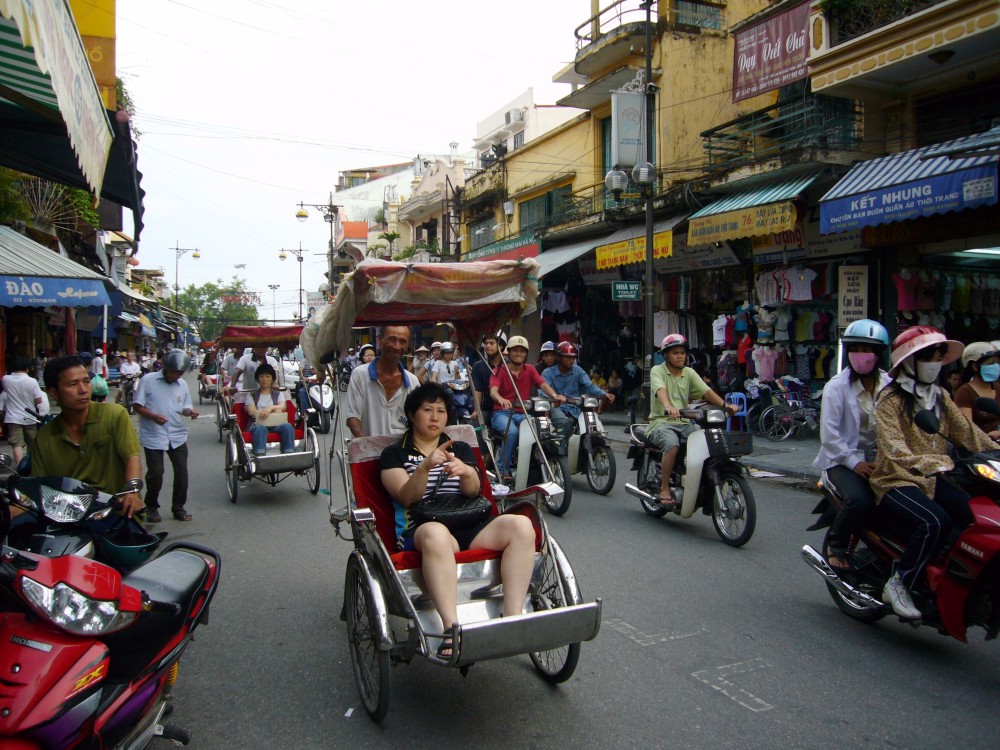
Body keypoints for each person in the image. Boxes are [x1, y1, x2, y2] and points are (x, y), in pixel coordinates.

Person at [379, 382, 535, 657]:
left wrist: (466, 471)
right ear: (413, 414)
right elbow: (407, 497)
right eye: (427, 410)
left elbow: (474, 491)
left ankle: (512, 619)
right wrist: (424, 467)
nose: (435, 417)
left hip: (469, 523)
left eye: (441, 411)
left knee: (522, 526)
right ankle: (452, 629)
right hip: (423, 527)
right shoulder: (395, 454)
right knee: (436, 534)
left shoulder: (459, 447)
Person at [871, 327, 997, 619]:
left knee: (973, 515)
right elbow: (893, 448)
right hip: (897, 478)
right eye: (928, 357)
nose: (935, 363)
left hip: (935, 478)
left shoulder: (940, 395)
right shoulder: (889, 399)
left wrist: (994, 451)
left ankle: (949, 577)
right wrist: (932, 462)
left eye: (939, 358)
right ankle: (900, 581)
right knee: (934, 521)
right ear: (909, 361)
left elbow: (967, 433)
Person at [811, 319, 892, 571]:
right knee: (859, 500)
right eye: (855, 349)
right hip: (841, 460)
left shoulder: (890, 385)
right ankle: (837, 545)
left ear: (879, 353)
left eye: (867, 349)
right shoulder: (837, 387)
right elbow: (829, 435)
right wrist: (854, 463)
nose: (861, 355)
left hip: (881, 460)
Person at [31, 356, 143, 517]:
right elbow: (40, 486)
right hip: (67, 516)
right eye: (73, 384)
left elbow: (131, 457)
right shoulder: (44, 437)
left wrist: (132, 493)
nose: (83, 390)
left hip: (116, 512)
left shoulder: (114, 415)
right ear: (54, 392)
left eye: (86, 381)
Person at [646, 334, 736, 508]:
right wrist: (668, 406)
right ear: (666, 355)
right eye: (675, 353)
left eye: (682, 353)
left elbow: (706, 391)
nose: (680, 356)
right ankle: (664, 487)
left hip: (684, 422)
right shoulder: (657, 370)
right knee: (672, 445)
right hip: (661, 422)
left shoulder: (689, 373)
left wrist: (726, 406)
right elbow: (660, 389)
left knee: (706, 443)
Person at [132, 349, 200, 523]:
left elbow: (184, 408)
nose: (176, 376)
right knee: (156, 473)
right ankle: (151, 506)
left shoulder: (182, 385)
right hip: (154, 435)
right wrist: (153, 416)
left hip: (177, 434)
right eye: (174, 372)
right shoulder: (148, 380)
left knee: (182, 472)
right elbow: (137, 405)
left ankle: (178, 507)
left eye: (180, 373)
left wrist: (191, 412)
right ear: (166, 368)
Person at [488, 336, 565, 483]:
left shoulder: (529, 369)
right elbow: (493, 391)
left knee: (543, 428)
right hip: (501, 413)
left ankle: (535, 466)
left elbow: (543, 384)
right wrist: (501, 399)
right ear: (509, 352)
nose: (519, 353)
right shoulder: (498, 370)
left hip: (522, 413)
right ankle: (503, 471)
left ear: (526, 354)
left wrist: (555, 396)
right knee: (512, 432)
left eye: (522, 351)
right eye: (515, 350)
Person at [345, 325, 419, 438]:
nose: (397, 347)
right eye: (392, 340)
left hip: (402, 448)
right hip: (367, 446)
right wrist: (366, 445)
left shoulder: (413, 382)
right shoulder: (360, 374)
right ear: (380, 340)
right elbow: (353, 417)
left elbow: (418, 421)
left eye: (402, 341)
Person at [542, 342, 614, 442]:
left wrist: (604, 393)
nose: (571, 360)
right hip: (557, 407)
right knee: (564, 423)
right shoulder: (547, 373)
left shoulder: (578, 370)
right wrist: (555, 397)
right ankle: (562, 449)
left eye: (573, 357)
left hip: (576, 407)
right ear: (559, 357)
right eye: (568, 357)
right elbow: (543, 391)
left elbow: (589, 386)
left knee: (592, 424)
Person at [0, 355, 45, 463]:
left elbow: (6, 392)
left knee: (16, 444)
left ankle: (20, 467)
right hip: (29, 417)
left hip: (13, 417)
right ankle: (32, 464)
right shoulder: (32, 381)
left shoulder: (6, 379)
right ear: (28, 368)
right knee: (32, 442)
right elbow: (38, 400)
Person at [245, 363, 296, 456]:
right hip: (258, 424)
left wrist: (271, 408)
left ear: (272, 379)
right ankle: (260, 455)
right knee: (260, 429)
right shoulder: (251, 395)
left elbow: (282, 407)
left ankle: (289, 453)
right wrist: (271, 411)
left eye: (267, 376)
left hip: (276, 424)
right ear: (257, 379)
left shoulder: (278, 394)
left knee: (287, 427)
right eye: (261, 376)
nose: (264, 379)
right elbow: (252, 412)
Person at [954, 342, 1000, 441]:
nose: (996, 366)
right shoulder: (964, 393)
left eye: (997, 363)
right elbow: (966, 429)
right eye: (991, 363)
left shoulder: (997, 387)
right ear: (975, 366)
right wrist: (987, 436)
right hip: (981, 446)